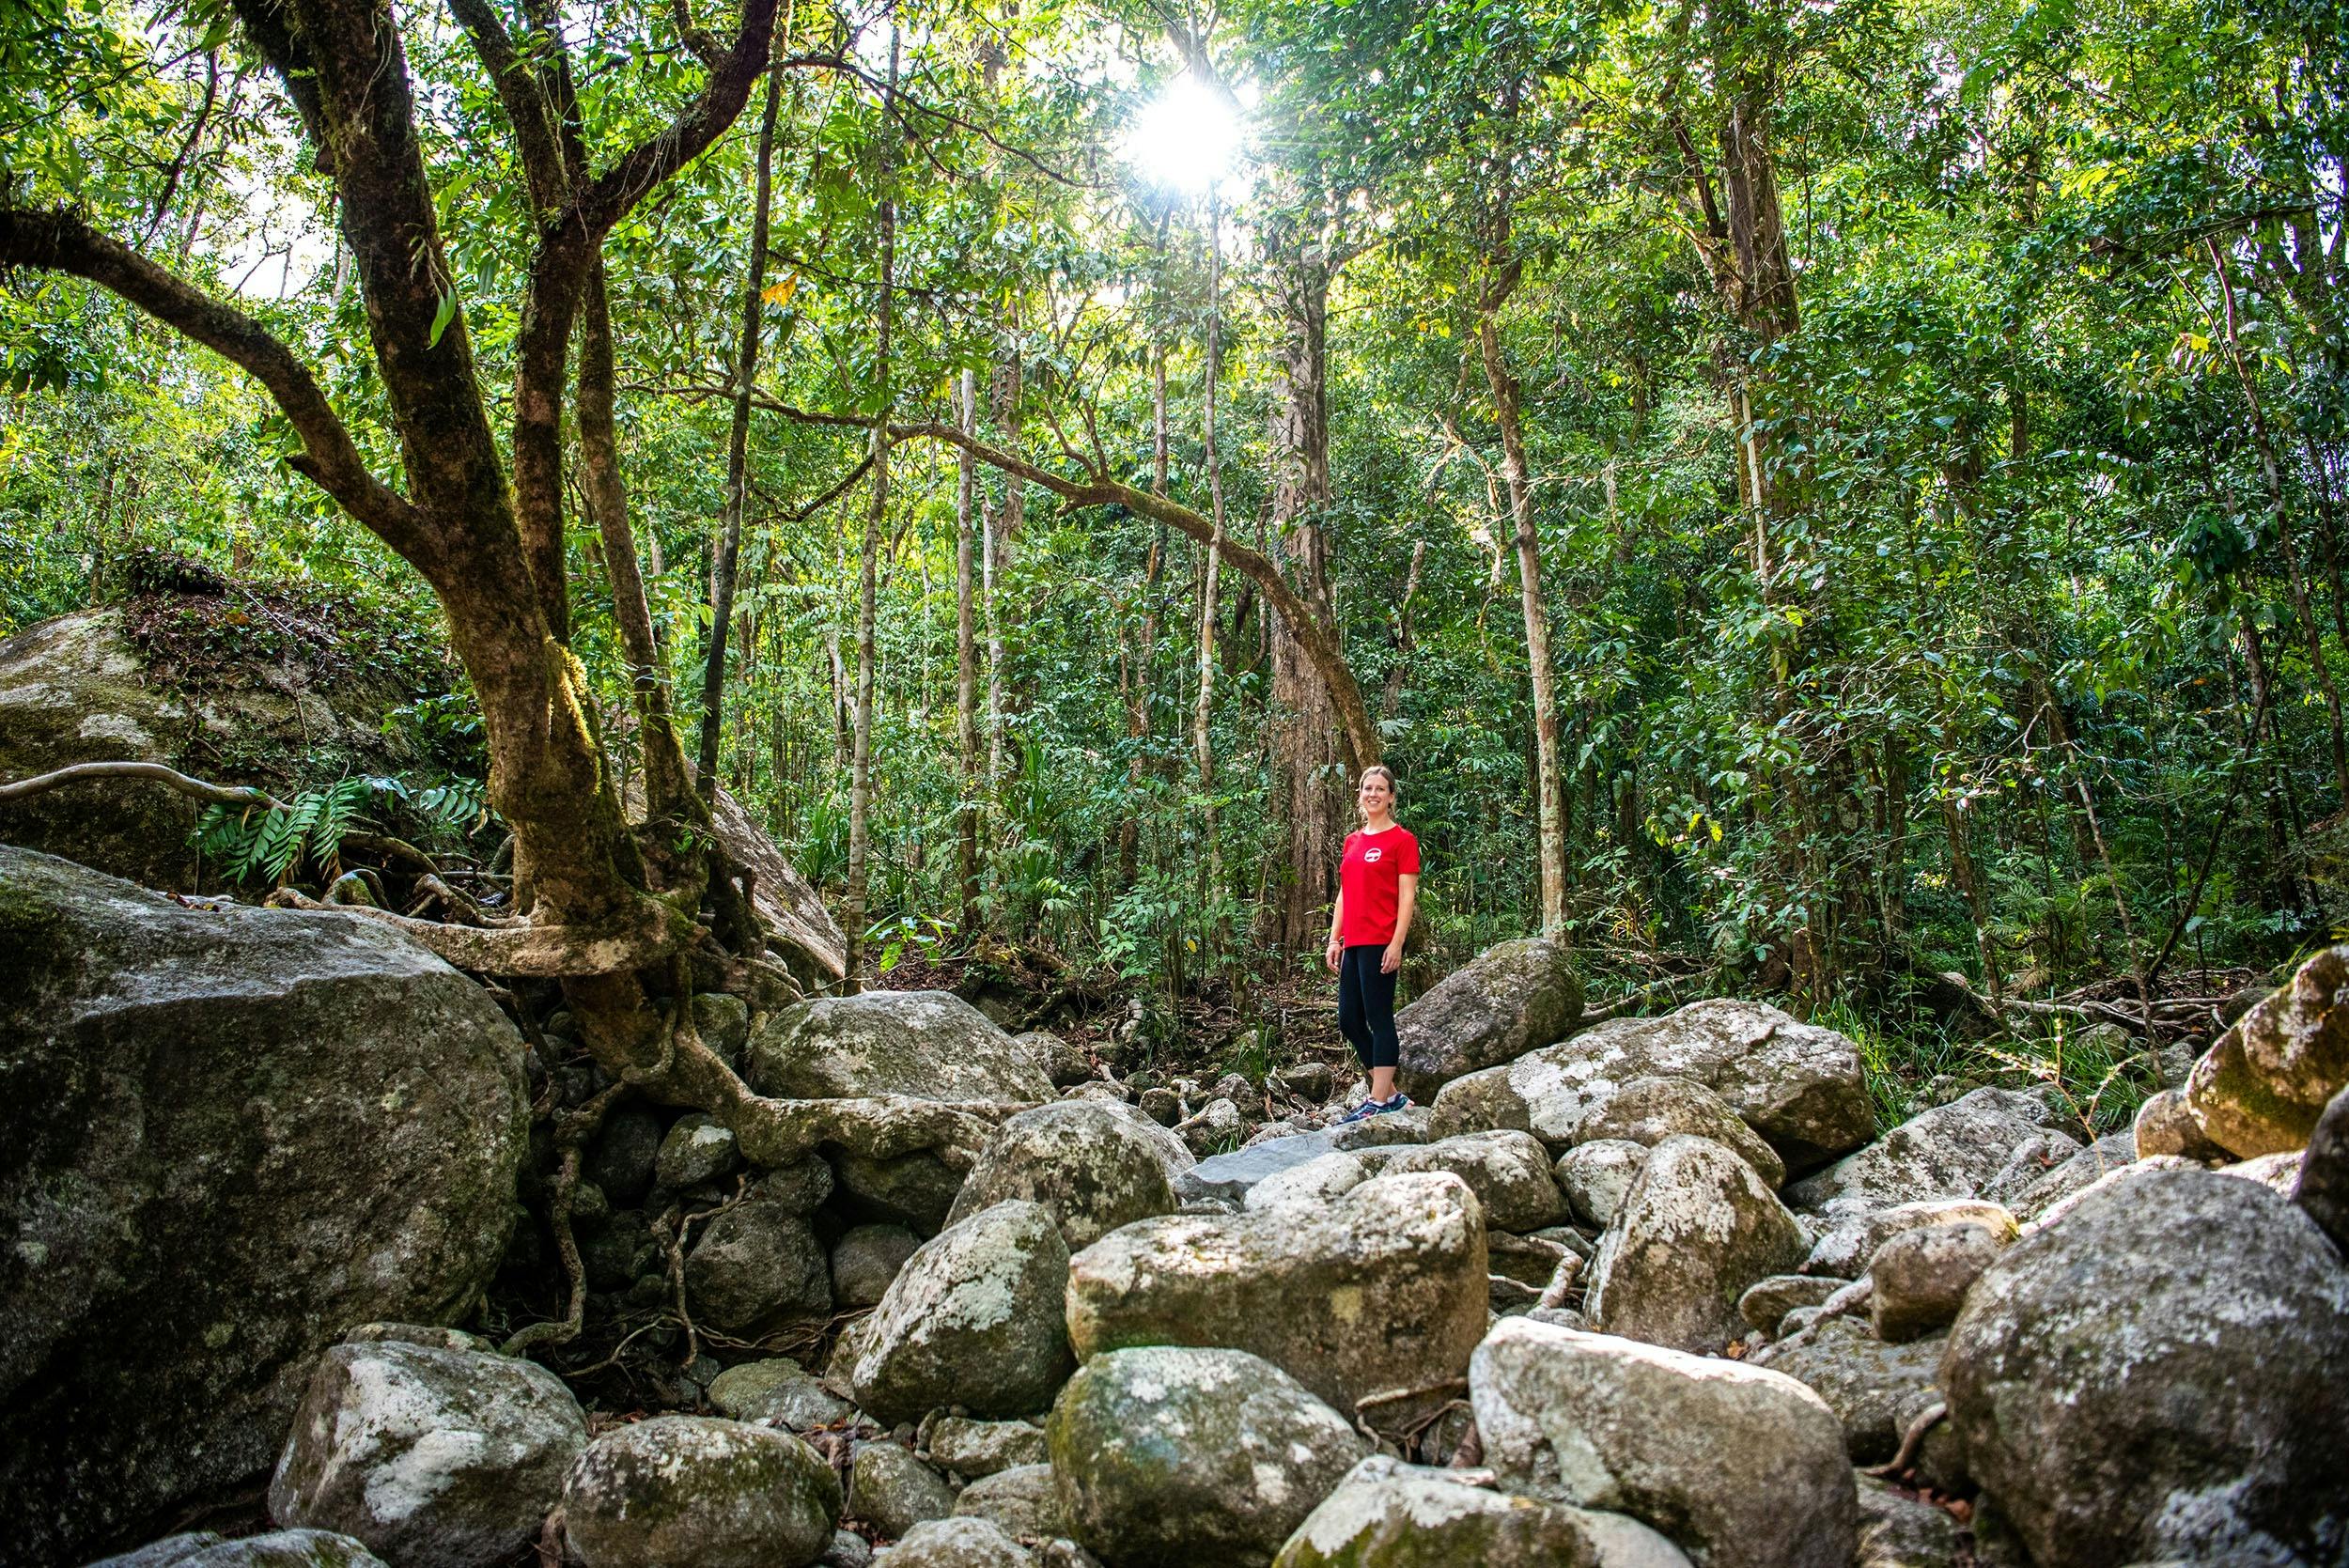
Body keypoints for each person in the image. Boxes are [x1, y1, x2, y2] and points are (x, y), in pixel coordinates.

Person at [1326, 763, 1420, 1120]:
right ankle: (1392, 1096)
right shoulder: (1353, 840)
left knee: (1380, 1018)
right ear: (1360, 795)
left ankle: (1377, 1102)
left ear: (1391, 796)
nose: (1373, 794)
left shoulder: (1402, 841)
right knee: (1349, 1020)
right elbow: (1345, 895)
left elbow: (1407, 898)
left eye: (1381, 789)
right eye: (1368, 788)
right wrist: (1335, 939)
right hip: (1354, 942)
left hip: (1382, 940)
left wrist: (1397, 944)